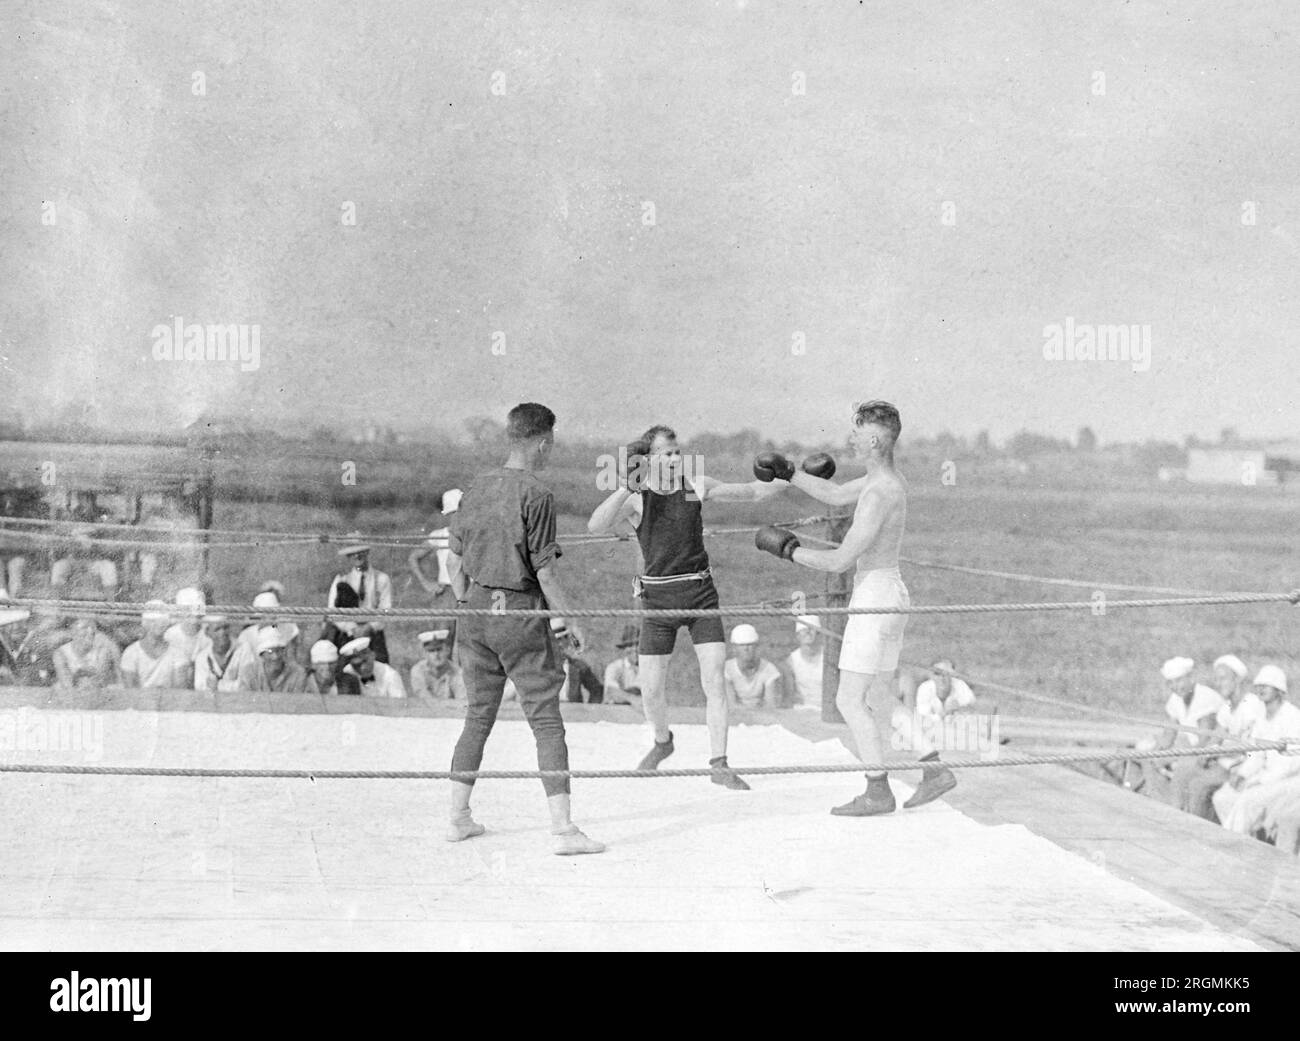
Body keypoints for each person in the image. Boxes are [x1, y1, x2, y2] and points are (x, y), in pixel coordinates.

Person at [754, 400, 956, 815]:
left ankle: (877, 789)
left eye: (857, 431)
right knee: (880, 695)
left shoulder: (881, 492)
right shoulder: (883, 481)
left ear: (876, 439)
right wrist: (790, 473)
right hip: (889, 592)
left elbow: (840, 561)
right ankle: (934, 769)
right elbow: (832, 492)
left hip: (875, 596)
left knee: (849, 700)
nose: (849, 438)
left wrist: (790, 551)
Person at [587, 424, 793, 790]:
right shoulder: (638, 497)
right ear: (648, 459)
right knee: (651, 689)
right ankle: (663, 742)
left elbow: (751, 493)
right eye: (664, 453)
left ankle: (719, 763)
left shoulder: (695, 484)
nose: (672, 458)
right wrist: (625, 486)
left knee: (713, 680)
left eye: (675, 452)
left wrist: (794, 476)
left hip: (700, 596)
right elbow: (595, 526)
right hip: (658, 603)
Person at [446, 402, 604, 854]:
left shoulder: (476, 487)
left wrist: (464, 602)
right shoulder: (537, 494)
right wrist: (572, 620)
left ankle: (457, 817)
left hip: (474, 612)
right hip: (518, 614)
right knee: (547, 722)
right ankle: (564, 831)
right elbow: (547, 574)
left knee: (477, 716)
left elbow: (453, 560)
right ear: (543, 441)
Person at [1171, 654, 1262, 820]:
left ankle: (1199, 832)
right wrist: (1207, 753)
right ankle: (1177, 816)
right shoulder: (1227, 707)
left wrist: (1216, 752)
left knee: (1198, 785)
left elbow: (1249, 748)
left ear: (1237, 680)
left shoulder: (1250, 705)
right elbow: (1216, 737)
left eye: (1223, 679)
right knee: (1186, 768)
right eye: (1217, 680)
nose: (1219, 684)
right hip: (1224, 762)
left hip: (1241, 766)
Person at [1212, 666, 1300, 836]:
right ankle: (1245, 842)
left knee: (1247, 799)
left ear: (1279, 689)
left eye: (1266, 685)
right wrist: (1243, 774)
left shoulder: (1293, 717)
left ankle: (1230, 844)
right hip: (1266, 777)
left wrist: (1260, 781)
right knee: (1222, 798)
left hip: (1290, 781)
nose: (1260, 689)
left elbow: (1292, 763)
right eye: (1258, 685)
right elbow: (1257, 754)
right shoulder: (1261, 717)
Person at [1137, 656, 1223, 803]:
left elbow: (1204, 741)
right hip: (1186, 750)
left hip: (1207, 754)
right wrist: (1155, 753)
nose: (1176, 686)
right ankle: (1162, 803)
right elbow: (1169, 735)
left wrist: (1175, 756)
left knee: (1182, 766)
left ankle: (1176, 806)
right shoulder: (1175, 699)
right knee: (1148, 759)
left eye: (1179, 681)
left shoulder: (1206, 698)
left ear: (1191, 678)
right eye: (1170, 683)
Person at [408, 489, 463, 646]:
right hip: (447, 593)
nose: (458, 518)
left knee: (470, 641)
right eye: (454, 513)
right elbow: (413, 557)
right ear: (447, 514)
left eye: (461, 513)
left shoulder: (475, 535)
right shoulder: (439, 535)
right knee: (443, 640)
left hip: (471, 591)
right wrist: (427, 583)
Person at [328, 537, 393, 663]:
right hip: (348, 633)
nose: (357, 556)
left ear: (367, 552)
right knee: (344, 672)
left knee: (380, 667)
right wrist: (352, 628)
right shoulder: (341, 579)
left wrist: (369, 627)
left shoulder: (381, 578)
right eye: (352, 553)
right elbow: (332, 611)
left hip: (373, 633)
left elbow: (386, 609)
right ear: (348, 556)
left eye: (361, 551)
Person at [120, 601, 188, 689]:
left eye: (162, 621)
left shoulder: (178, 653)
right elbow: (130, 690)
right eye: (153, 621)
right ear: (145, 623)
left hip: (169, 701)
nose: (159, 624)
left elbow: (180, 690)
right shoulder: (131, 652)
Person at [724, 624, 783, 710]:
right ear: (734, 648)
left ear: (756, 647)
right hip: (735, 718)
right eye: (742, 645)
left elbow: (771, 705)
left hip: (762, 718)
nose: (746, 648)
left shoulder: (769, 669)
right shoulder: (726, 670)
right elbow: (730, 705)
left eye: (750, 644)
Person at [52, 618, 122, 689]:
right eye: (84, 627)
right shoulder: (60, 653)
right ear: (72, 632)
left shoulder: (102, 650)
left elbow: (101, 680)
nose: (90, 631)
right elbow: (66, 684)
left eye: (92, 627)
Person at [163, 587, 210, 689]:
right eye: (188, 611)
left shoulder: (208, 633)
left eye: (197, 611)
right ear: (181, 612)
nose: (194, 615)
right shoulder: (170, 635)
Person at [243, 627, 312, 693]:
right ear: (262, 655)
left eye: (279, 651)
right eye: (270, 652)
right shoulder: (250, 672)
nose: (275, 656)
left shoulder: (298, 673)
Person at [780, 615, 824, 711]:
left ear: (819, 634)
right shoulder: (791, 661)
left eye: (812, 629)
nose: (808, 632)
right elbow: (789, 696)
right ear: (797, 636)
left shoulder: (828, 658)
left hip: (825, 710)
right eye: (804, 629)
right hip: (801, 710)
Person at [553, 620, 603, 704]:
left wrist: (590, 711)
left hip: (574, 712)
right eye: (557, 640)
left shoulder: (578, 666)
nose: (560, 644)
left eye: (563, 639)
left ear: (567, 641)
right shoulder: (541, 668)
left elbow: (597, 690)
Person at [340, 636, 406, 698]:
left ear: (373, 655)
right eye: (357, 665)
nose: (363, 668)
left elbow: (400, 706)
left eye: (365, 661)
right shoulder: (347, 673)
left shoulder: (390, 675)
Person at [408, 629, 466, 700]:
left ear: (448, 650)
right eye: (431, 651)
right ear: (425, 654)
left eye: (439, 649)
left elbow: (462, 701)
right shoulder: (418, 670)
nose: (436, 654)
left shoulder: (457, 672)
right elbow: (423, 697)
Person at [193, 615, 241, 693]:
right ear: (207, 633)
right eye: (217, 629)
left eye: (225, 627)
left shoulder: (243, 650)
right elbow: (199, 688)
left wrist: (218, 685)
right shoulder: (202, 657)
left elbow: (246, 686)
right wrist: (231, 686)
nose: (222, 632)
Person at [603, 625, 641, 708]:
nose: (635, 649)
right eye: (630, 645)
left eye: (638, 645)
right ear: (624, 649)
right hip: (617, 713)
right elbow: (612, 692)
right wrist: (633, 699)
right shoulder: (615, 667)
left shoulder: (649, 669)